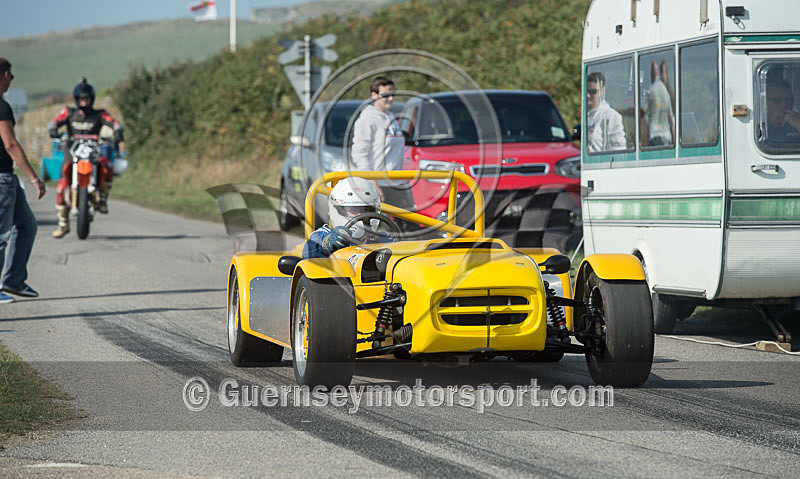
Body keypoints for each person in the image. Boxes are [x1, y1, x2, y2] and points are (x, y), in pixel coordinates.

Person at [47, 78, 125, 238]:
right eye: (81, 98)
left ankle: (103, 198)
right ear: (76, 99)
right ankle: (63, 223)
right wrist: (54, 130)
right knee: (61, 187)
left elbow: (114, 123)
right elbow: (54, 122)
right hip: (72, 151)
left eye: (87, 98)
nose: (84, 101)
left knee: (107, 167)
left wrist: (118, 131)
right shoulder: (69, 113)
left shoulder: (99, 114)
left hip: (93, 151)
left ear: (92, 98)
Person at [0, 58, 46, 303]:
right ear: (5, 75)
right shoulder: (2, 107)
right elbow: (10, 144)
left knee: (27, 224)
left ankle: (14, 280)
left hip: (7, 179)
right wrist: (33, 177)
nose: (10, 81)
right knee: (1, 236)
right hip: (2, 179)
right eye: (10, 76)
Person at [350, 76, 414, 225]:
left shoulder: (391, 118)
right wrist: (372, 182)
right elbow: (359, 153)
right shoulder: (367, 119)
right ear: (374, 95)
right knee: (378, 229)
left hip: (397, 183)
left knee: (410, 227)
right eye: (386, 95)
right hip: (379, 184)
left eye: (393, 95)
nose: (391, 99)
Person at [303, 177, 393, 259]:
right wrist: (327, 244)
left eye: (366, 209)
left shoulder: (383, 238)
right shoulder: (322, 236)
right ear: (337, 210)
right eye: (353, 209)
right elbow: (308, 253)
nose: (360, 214)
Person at [585, 72, 626, 152]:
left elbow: (619, 150)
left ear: (602, 91)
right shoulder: (584, 115)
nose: (588, 95)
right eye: (586, 91)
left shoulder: (611, 116)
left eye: (592, 91)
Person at [642, 61, 675, 147]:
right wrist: (674, 139)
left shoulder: (654, 89)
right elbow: (670, 117)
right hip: (666, 137)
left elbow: (642, 114)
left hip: (655, 136)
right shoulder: (665, 91)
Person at [765, 78, 800, 142]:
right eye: (777, 100)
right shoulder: (759, 126)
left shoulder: (797, 122)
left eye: (788, 100)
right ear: (765, 103)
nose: (784, 105)